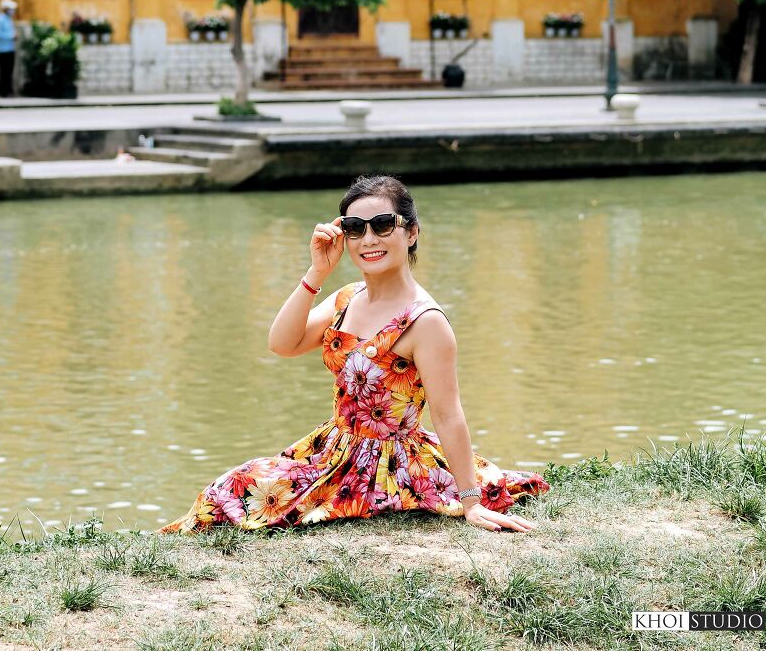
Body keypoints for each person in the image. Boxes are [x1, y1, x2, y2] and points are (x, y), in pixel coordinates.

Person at [160, 173, 550, 535]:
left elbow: (448, 415)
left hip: (388, 465)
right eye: (354, 229)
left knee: (245, 495)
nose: (368, 240)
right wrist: (316, 273)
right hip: (332, 447)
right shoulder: (347, 298)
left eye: (382, 225)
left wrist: (470, 503)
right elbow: (283, 343)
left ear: (411, 233)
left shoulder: (426, 322)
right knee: (231, 485)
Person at [0, 0, 18, 98]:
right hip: (2, 50)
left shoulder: (9, 20)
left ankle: (9, 91)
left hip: (10, 49)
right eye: (11, 9)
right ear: (6, 9)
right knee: (3, 71)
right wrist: (11, 36)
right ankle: (3, 92)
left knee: (9, 72)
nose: (12, 11)